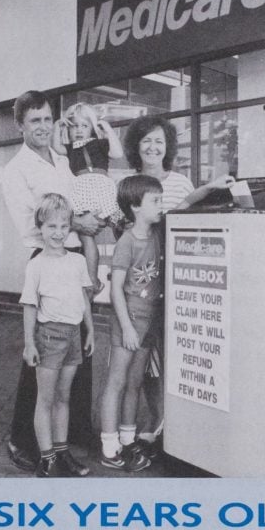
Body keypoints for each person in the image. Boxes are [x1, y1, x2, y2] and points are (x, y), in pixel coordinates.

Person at [1, 90, 106, 471]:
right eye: (34, 121)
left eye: (47, 118)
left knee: (76, 353)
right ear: (21, 126)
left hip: (76, 259)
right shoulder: (16, 171)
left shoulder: (61, 160)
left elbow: (83, 192)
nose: (43, 126)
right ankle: (22, 440)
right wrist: (76, 223)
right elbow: (32, 224)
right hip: (46, 259)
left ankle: (66, 440)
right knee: (42, 359)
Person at [122, 114, 238, 454]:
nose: (153, 147)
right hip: (141, 282)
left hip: (176, 279)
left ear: (168, 147)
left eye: (159, 141)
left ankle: (175, 420)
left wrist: (208, 190)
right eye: (146, 141)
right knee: (144, 356)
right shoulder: (129, 183)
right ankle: (157, 416)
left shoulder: (180, 182)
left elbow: (190, 218)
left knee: (175, 349)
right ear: (136, 147)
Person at [20, 194, 94, 477]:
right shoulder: (36, 264)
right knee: (46, 399)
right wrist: (29, 343)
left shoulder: (76, 261)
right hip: (48, 336)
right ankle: (47, 459)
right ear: (40, 227)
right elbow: (29, 305)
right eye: (52, 226)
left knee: (64, 397)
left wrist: (90, 333)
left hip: (74, 334)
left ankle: (62, 454)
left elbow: (84, 299)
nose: (59, 232)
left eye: (64, 226)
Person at [99, 174, 165, 472]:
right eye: (156, 201)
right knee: (117, 381)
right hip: (129, 321)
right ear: (135, 206)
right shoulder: (126, 242)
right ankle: (109, 447)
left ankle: (127, 440)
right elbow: (115, 289)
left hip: (148, 321)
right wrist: (126, 327)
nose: (161, 206)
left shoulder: (156, 234)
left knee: (135, 383)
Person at [52, 102, 123, 294]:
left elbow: (117, 152)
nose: (79, 130)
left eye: (84, 126)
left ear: (91, 127)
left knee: (119, 224)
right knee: (87, 236)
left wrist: (106, 128)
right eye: (74, 126)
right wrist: (58, 126)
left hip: (102, 188)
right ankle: (93, 280)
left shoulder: (99, 143)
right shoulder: (70, 148)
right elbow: (56, 147)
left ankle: (125, 267)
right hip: (83, 192)